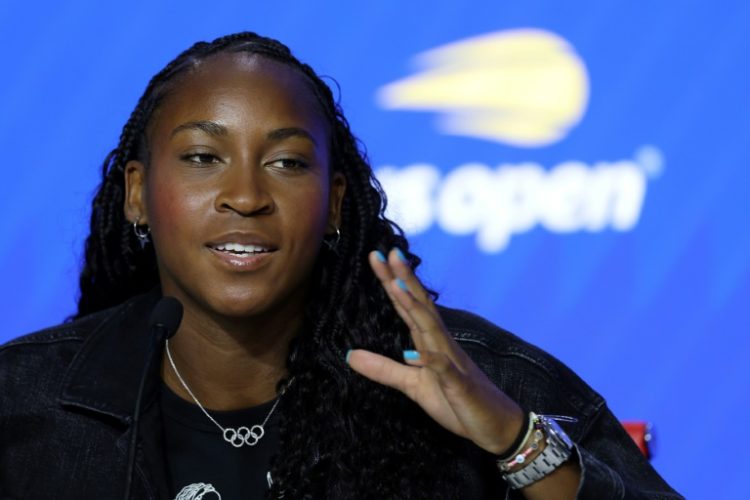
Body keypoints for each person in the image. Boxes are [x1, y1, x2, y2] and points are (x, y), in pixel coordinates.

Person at [0, 32, 682, 500]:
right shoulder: (23, 405)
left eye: (288, 162)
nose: (245, 195)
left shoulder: (469, 378)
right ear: (138, 196)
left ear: (333, 205)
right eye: (204, 158)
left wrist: (509, 439)